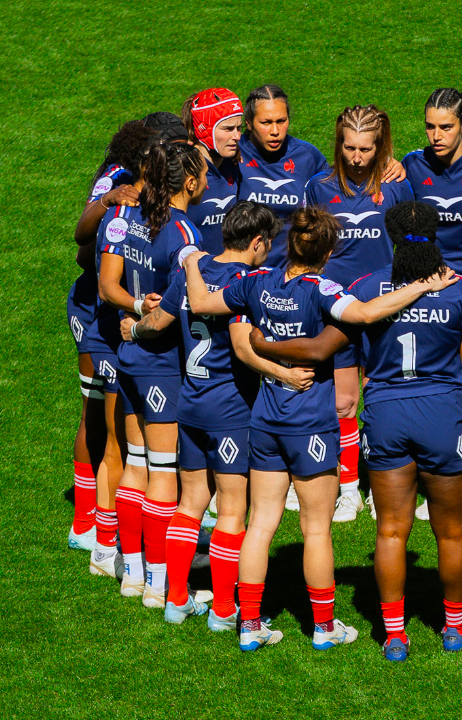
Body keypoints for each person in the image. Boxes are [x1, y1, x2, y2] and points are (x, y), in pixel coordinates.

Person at [248, 201, 462, 662]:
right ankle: (454, 628)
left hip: (385, 419)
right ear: (437, 233)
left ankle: (395, 636)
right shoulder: (459, 289)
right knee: (451, 534)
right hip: (445, 419)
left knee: (389, 532)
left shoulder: (368, 289)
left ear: (390, 235)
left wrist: (265, 346)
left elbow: (323, 346)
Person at [184, 206, 457, 652]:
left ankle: (249, 624)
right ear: (328, 252)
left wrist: (192, 263)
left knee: (261, 524)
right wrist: (423, 285)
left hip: (265, 419)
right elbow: (367, 314)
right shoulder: (322, 288)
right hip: (309, 423)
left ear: (286, 244)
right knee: (315, 529)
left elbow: (200, 303)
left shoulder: (254, 282)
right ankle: (324, 627)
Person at [122, 201, 314, 627]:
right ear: (259, 242)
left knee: (190, 502)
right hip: (231, 409)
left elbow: (159, 321)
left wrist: (133, 327)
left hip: (188, 403)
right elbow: (246, 349)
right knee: (231, 510)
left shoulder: (191, 269)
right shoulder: (247, 283)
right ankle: (225, 611)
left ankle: (176, 599)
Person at [98, 137, 208, 605]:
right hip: (162, 364)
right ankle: (160, 584)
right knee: (164, 473)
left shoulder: (124, 217)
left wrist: (134, 313)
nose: (208, 178)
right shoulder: (184, 234)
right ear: (188, 182)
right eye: (203, 172)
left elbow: (109, 286)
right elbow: (191, 304)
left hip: (128, 362)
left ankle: (133, 572)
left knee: (136, 466)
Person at [304, 104, 414, 521]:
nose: (356, 157)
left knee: (386, 398)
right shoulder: (319, 187)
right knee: (345, 402)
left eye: (366, 149)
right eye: (349, 147)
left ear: (381, 145)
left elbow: (411, 244)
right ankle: (348, 486)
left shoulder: (398, 184)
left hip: (387, 303)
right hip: (337, 307)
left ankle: (387, 482)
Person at [401, 88, 462, 525]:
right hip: (427, 290)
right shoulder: (410, 165)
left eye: (445, 126)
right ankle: (441, 482)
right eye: (429, 126)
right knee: (435, 391)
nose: (436, 135)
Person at [74, 120, 155, 575]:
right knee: (105, 422)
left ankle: (111, 534)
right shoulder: (117, 186)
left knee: (123, 431)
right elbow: (83, 249)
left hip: (121, 319)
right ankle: (96, 531)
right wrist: (106, 202)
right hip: (99, 318)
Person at [181, 88, 245, 254]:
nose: (237, 136)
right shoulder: (181, 171)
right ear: (205, 130)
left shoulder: (234, 162)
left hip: (227, 275)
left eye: (239, 128)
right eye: (228, 129)